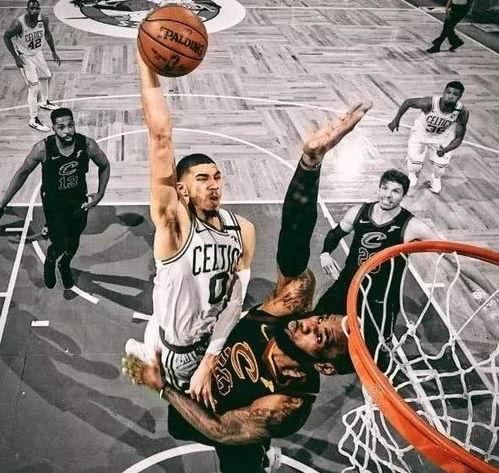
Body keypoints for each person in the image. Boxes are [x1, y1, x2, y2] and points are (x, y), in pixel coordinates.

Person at [122, 101, 372, 473]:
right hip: (201, 380)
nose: (309, 323)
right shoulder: (290, 308)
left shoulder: (289, 403)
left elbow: (223, 430)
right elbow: (294, 242)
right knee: (180, 428)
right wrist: (309, 165)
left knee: (237, 459)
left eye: (319, 337)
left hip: (232, 427)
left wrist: (162, 387)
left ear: (325, 366)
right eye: (321, 319)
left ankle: (261, 457)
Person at [124, 52, 256, 410]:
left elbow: (236, 299)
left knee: (221, 418)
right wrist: (146, 64)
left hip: (209, 344)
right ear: (181, 190)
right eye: (202, 179)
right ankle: (150, 349)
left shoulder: (243, 230)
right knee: (190, 417)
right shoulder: (174, 226)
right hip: (174, 348)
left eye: (217, 177)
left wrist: (211, 359)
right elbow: (160, 137)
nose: (214, 185)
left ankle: (148, 348)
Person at [316, 169, 437, 352]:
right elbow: (336, 234)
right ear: (379, 188)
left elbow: (449, 252)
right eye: (384, 188)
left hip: (381, 296)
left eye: (395, 191)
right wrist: (325, 253)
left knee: (374, 347)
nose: (388, 195)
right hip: (349, 282)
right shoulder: (359, 212)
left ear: (403, 195)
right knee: (317, 319)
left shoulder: (412, 225)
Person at [0, 107, 110, 289]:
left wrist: (100, 194)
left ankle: (64, 264)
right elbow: (22, 173)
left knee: (74, 239)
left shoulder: (87, 145)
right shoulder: (42, 149)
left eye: (70, 125)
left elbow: (104, 165)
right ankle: (50, 261)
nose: (68, 131)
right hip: (54, 204)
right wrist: (3, 202)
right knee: (60, 243)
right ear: (53, 129)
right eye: (61, 127)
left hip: (78, 200)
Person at [387, 81, 469, 194]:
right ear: (444, 92)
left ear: (460, 97)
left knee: (440, 170)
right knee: (414, 167)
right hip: (421, 134)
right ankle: (413, 170)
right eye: (448, 92)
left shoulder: (462, 112)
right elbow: (408, 102)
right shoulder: (429, 103)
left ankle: (435, 179)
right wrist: (396, 120)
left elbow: (459, 137)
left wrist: (446, 149)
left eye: (455, 94)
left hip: (442, 138)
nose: (450, 96)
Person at [3, 0, 61, 132]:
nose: (35, 11)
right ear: (27, 10)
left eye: (37, 8)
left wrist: (53, 52)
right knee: (34, 88)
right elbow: (6, 37)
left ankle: (45, 102)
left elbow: (47, 34)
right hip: (25, 57)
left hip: (37, 53)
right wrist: (16, 57)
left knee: (46, 76)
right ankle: (33, 120)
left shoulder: (43, 19)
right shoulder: (19, 24)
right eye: (32, 8)